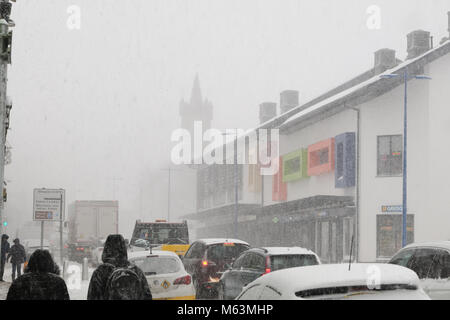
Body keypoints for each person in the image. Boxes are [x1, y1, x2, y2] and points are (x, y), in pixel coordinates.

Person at [87, 234, 152, 300]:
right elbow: (147, 295)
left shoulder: (100, 272)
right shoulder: (135, 270)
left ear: (106, 249)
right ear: (123, 248)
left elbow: (92, 296)